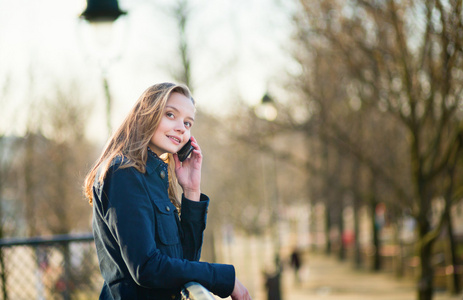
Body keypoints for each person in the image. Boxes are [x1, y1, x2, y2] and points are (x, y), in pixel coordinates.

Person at [83, 83, 251, 300]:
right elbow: (146, 267)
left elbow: (185, 260)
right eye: (171, 114)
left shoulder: (156, 178)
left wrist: (191, 190)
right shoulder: (123, 173)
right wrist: (224, 279)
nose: (182, 127)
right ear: (146, 114)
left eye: (188, 123)